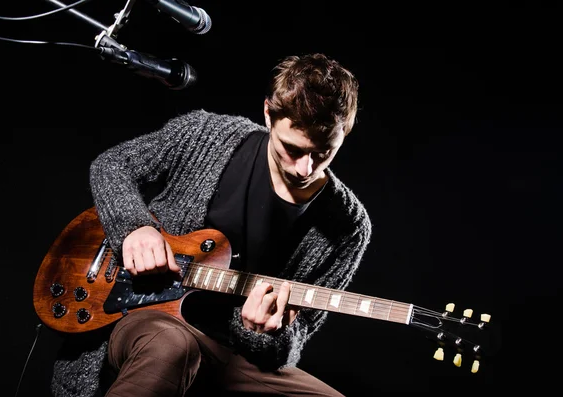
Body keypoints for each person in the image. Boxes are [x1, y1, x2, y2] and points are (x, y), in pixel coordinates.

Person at [51, 52, 372, 397]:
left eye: (324, 152)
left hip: (231, 353)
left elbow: (297, 336)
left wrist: (263, 333)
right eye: (292, 149)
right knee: (172, 346)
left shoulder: (348, 226)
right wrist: (133, 227)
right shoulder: (207, 134)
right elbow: (111, 165)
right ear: (268, 113)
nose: (304, 168)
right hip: (144, 317)